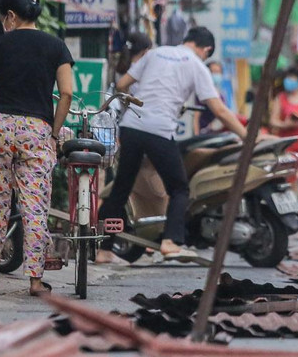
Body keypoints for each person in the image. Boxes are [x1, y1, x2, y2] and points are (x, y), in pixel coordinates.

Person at [99, 26, 247, 259]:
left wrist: (137, 101)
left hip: (131, 127)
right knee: (179, 188)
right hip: (159, 130)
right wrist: (247, 136)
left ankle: (104, 250)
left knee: (122, 187)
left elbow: (122, 84)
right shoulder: (197, 65)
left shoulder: (155, 53)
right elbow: (218, 108)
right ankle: (171, 240)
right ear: (206, 49)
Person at [0, 0, 73, 294]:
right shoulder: (57, 47)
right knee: (34, 205)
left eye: (4, 17)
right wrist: (53, 132)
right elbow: (66, 93)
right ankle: (35, 281)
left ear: (11, 16)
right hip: (36, 129)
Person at [270, 67, 298, 201]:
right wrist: (286, 124)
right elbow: (273, 121)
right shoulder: (281, 98)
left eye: (293, 79)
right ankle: (293, 210)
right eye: (288, 79)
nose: (290, 82)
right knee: (289, 180)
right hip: (287, 144)